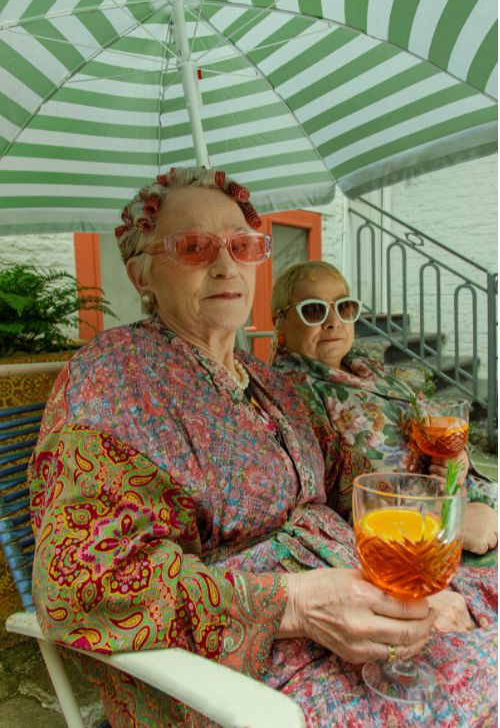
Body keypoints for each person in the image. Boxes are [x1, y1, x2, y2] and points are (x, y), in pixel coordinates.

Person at [29, 170, 496, 727]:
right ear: (141, 273)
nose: (227, 265)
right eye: (195, 246)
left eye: (243, 244)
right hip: (237, 667)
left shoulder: (266, 379)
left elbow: (345, 482)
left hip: (353, 600)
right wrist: (295, 603)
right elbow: (83, 585)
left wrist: (432, 506)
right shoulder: (113, 377)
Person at [271, 260, 498, 558]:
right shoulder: (287, 394)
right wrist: (448, 521)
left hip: (469, 500)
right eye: (314, 310)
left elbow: (429, 424)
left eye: (344, 307)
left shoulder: (365, 367)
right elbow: (324, 499)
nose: (333, 321)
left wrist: (456, 459)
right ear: (280, 323)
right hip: (417, 533)